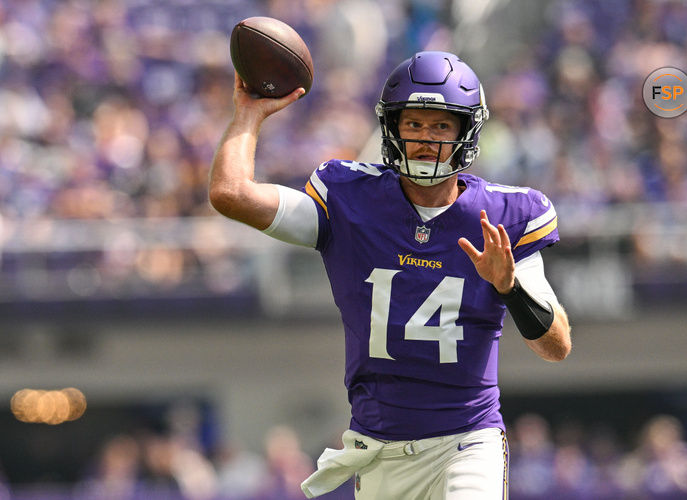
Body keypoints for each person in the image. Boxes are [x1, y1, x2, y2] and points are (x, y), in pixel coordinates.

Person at [209, 51, 572, 500]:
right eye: (413, 124)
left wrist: (509, 286)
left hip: (467, 440)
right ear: (392, 127)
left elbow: (556, 347)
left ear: (467, 132)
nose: (425, 139)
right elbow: (230, 194)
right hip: (378, 448)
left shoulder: (506, 217)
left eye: (441, 125)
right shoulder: (349, 199)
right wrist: (247, 114)